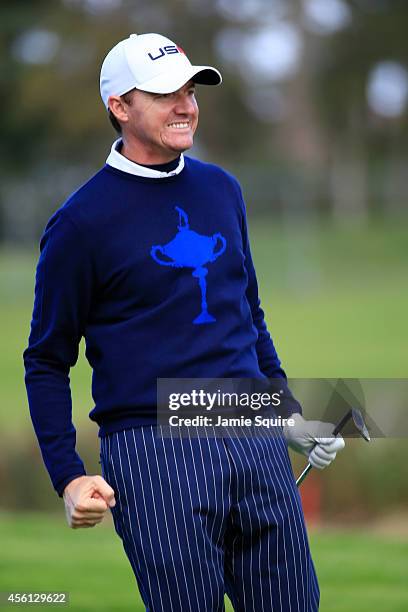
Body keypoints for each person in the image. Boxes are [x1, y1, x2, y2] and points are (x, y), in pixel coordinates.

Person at [24, 33, 345, 611]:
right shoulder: (80, 224)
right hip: (152, 451)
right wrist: (69, 476)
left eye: (190, 90)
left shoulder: (222, 189)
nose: (185, 105)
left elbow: (246, 318)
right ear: (119, 107)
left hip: (253, 441)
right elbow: (46, 360)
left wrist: (288, 415)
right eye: (163, 92)